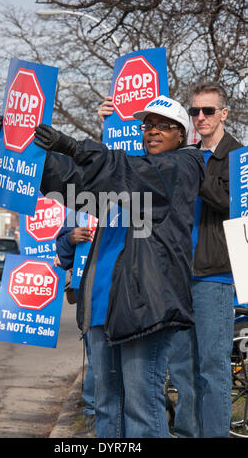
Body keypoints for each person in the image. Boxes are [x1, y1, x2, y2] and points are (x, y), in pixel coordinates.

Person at [32, 95, 205, 438]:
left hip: (146, 308)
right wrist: (25, 152)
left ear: (182, 136)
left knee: (142, 408)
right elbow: (75, 184)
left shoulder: (183, 167)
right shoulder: (130, 178)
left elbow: (127, 170)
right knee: (106, 407)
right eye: (148, 125)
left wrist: (73, 145)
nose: (153, 131)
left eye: (164, 126)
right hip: (102, 309)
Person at [168, 82, 243, 438]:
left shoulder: (238, 158)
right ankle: (186, 433)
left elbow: (231, 205)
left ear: (223, 114)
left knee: (213, 367)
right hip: (180, 277)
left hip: (216, 277)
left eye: (208, 111)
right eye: (195, 110)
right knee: (182, 367)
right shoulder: (188, 154)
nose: (200, 117)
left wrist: (196, 170)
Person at [54, 216, 96, 436]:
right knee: (95, 354)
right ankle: (93, 417)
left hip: (119, 285)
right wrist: (71, 238)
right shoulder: (79, 208)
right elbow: (60, 252)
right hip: (85, 289)